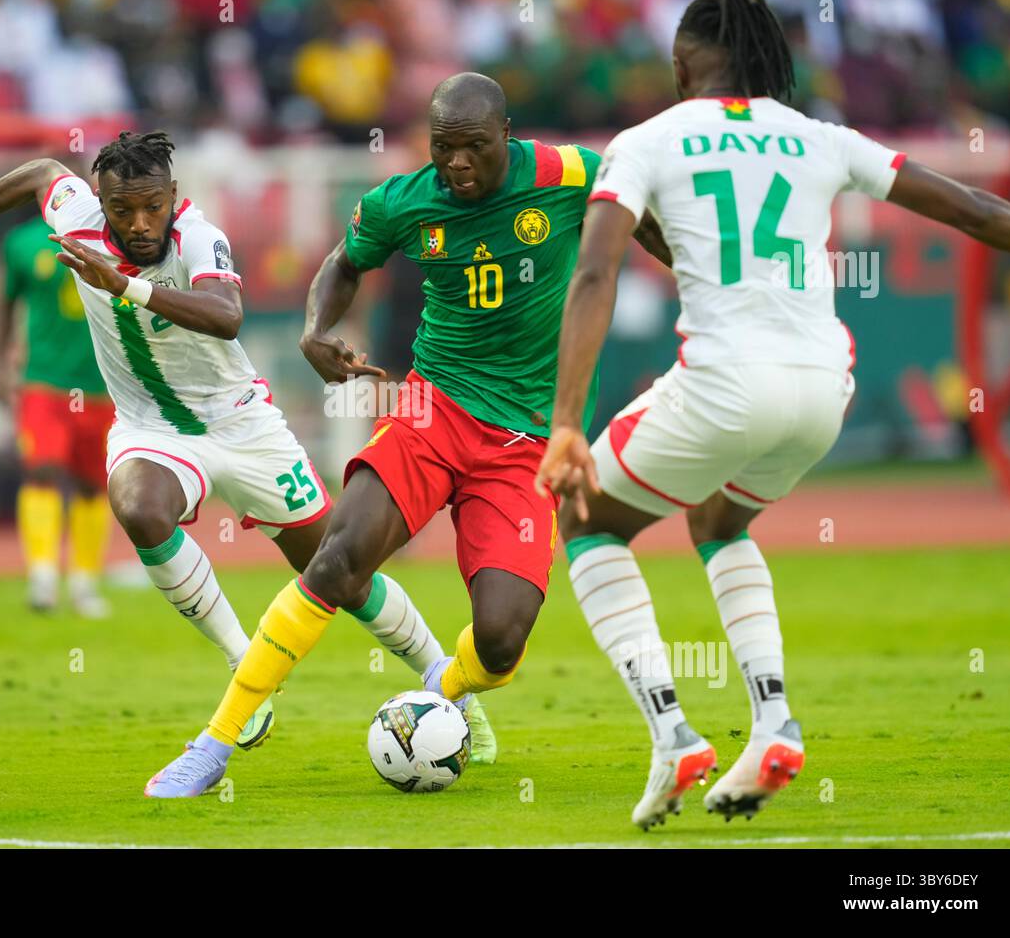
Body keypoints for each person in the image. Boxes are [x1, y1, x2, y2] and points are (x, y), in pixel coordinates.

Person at [535, 0, 1010, 828]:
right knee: (719, 523)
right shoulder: (822, 138)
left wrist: (567, 425)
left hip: (726, 383)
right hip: (822, 390)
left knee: (586, 517)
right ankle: (771, 723)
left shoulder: (647, 141)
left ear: (685, 63)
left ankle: (673, 736)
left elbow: (593, 275)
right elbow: (977, 210)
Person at [144, 73, 670, 798]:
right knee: (337, 560)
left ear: (506, 137)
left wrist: (696, 275)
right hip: (432, 409)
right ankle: (214, 743)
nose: (455, 163)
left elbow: (631, 205)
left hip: (523, 442)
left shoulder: (564, 173)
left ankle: (446, 692)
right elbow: (343, 263)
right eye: (443, 146)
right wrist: (314, 330)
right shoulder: (401, 201)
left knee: (502, 640)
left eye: (473, 148)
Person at [0, 130, 475, 759]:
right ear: (98, 198)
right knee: (140, 507)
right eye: (122, 210)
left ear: (175, 196)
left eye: (153, 206)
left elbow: (227, 315)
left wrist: (124, 286)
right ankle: (242, 659)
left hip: (241, 426)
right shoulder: (74, 212)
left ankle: (447, 685)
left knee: (344, 572)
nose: (140, 223)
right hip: (152, 428)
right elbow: (37, 171)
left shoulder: (199, 237)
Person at [0, 215, 114, 617]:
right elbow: (5, 306)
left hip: (102, 382)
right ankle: (42, 575)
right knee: (41, 469)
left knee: (93, 484)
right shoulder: (23, 242)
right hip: (43, 380)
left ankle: (84, 581)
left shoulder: (114, 235)